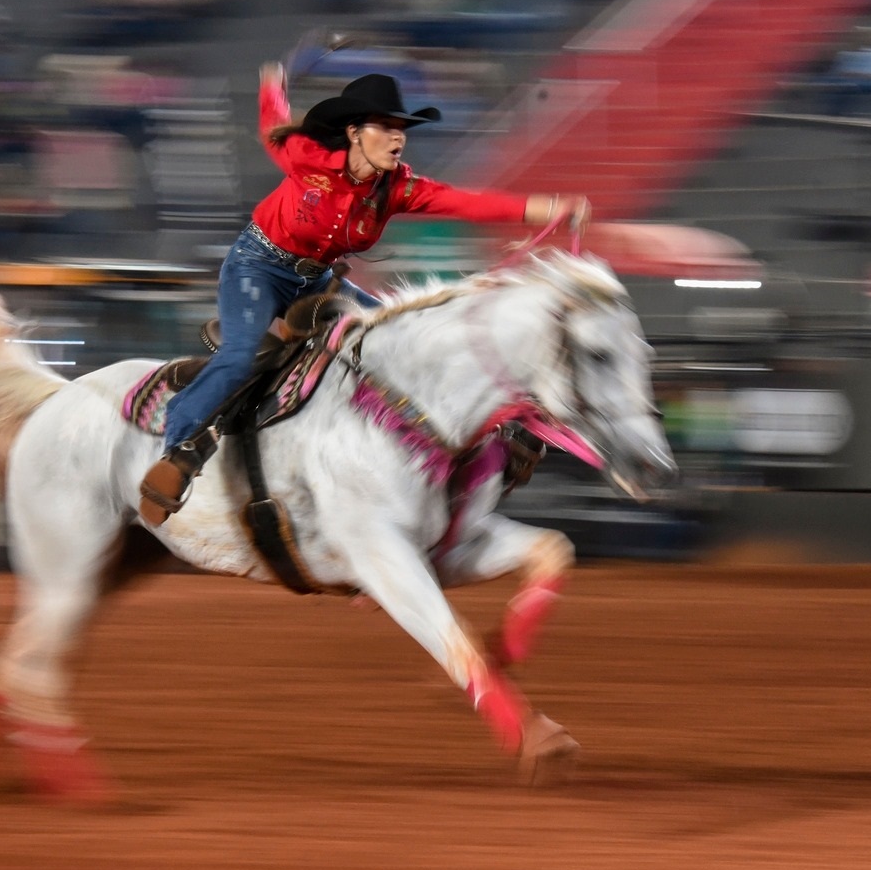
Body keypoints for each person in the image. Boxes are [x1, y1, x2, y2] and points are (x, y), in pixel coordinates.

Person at [138, 65, 582, 525]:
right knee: (238, 355)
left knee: (405, 337)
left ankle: (463, 447)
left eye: (402, 129)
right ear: (354, 133)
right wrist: (273, 85)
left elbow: (465, 202)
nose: (399, 137)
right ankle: (176, 451)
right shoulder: (307, 156)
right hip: (258, 266)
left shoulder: (399, 188)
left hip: (316, 280)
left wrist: (545, 208)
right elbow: (274, 127)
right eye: (387, 127)